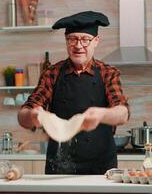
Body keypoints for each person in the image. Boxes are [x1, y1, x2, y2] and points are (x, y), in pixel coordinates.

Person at [17, 11, 129, 175]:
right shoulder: (52, 73)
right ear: (66, 41)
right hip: (59, 168)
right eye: (72, 39)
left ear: (96, 41)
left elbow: (123, 113)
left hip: (102, 170)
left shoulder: (108, 73)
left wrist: (101, 114)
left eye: (85, 39)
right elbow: (23, 116)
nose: (78, 46)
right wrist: (33, 116)